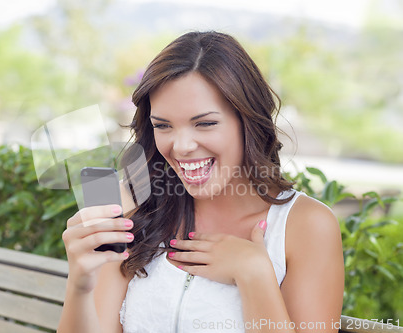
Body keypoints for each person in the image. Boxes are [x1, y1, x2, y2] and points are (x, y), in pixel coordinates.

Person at [57, 31, 344, 333]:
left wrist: (254, 274)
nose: (181, 146)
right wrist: (80, 283)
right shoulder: (133, 206)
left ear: (248, 121)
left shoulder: (307, 226)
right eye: (163, 125)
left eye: (205, 123)